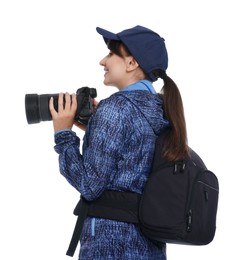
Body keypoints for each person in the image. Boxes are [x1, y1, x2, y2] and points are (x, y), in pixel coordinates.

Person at [49, 25, 188, 260]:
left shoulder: (116, 108)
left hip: (110, 246)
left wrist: (63, 134)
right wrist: (96, 129)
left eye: (112, 54)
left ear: (132, 63)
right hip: (149, 245)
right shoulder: (161, 109)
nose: (103, 60)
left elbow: (89, 185)